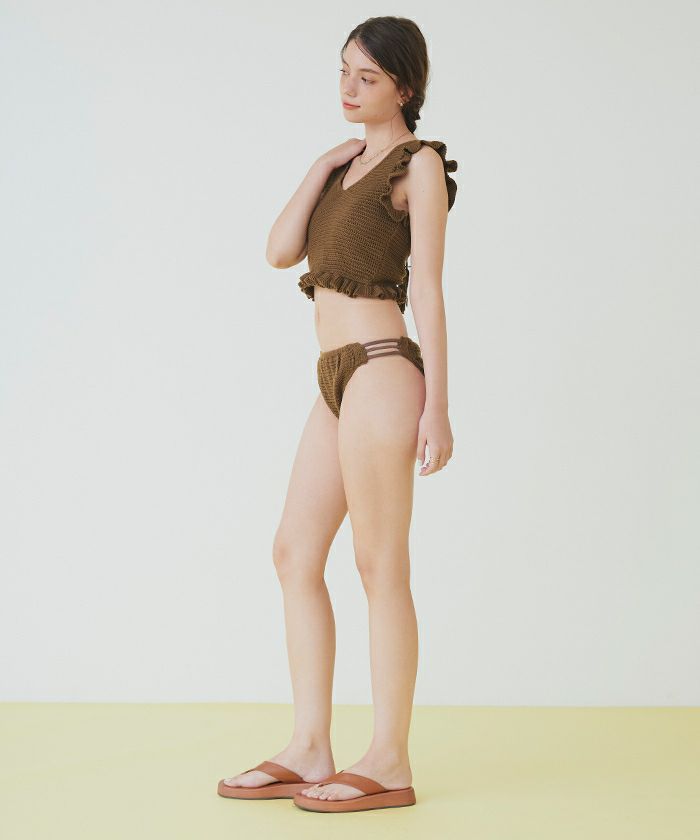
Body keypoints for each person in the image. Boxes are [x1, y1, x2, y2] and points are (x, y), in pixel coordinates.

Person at [218, 16, 457, 813]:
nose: (349, 88)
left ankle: (389, 759)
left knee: (380, 564)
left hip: (384, 370)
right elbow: (280, 251)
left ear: (405, 87)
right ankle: (310, 745)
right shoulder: (343, 166)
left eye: (368, 77)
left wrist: (440, 407)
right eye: (344, 72)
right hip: (333, 377)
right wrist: (322, 164)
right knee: (294, 553)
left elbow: (430, 290)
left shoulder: (420, 165)